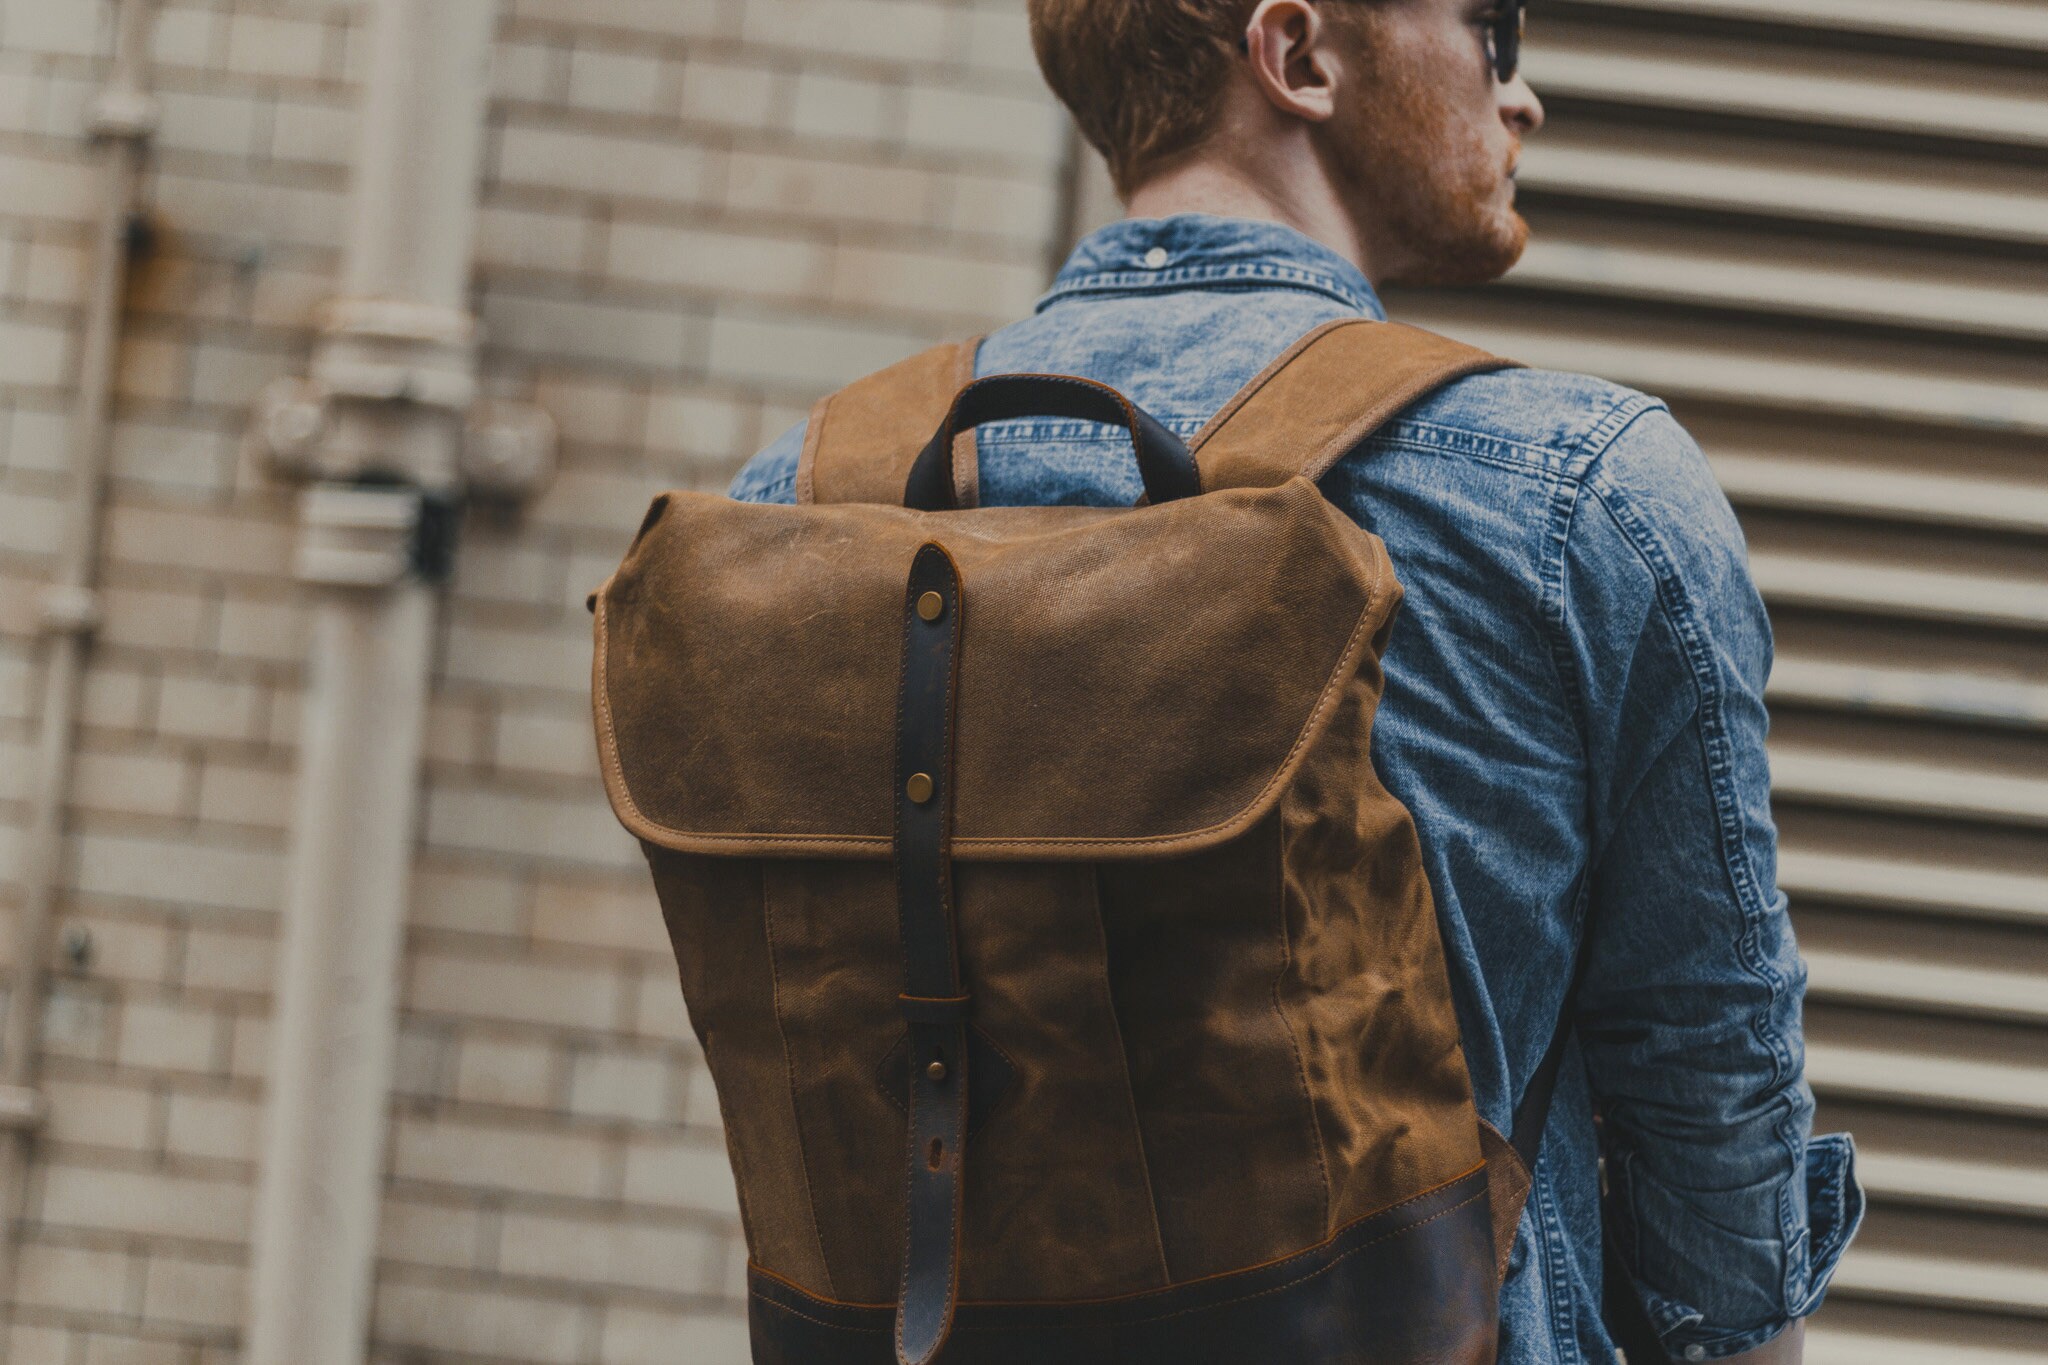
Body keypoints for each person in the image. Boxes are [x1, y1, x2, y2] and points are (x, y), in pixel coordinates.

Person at [725, 1, 1862, 1360]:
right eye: (1491, 28)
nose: (1521, 94)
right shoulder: (1579, 500)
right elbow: (1711, 1109)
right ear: (1299, 54)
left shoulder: (804, 502)